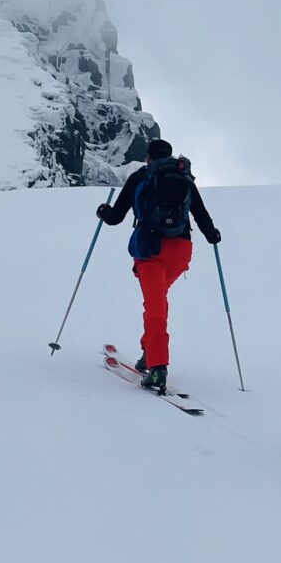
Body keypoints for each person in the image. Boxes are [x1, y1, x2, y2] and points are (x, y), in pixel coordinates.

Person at [96, 138, 220, 392]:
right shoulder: (184, 178)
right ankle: (149, 352)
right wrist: (212, 235)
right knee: (157, 300)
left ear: (148, 157)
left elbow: (115, 218)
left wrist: (103, 211)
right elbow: (201, 214)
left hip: (150, 248)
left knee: (154, 306)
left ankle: (157, 368)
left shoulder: (141, 177)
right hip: (181, 251)